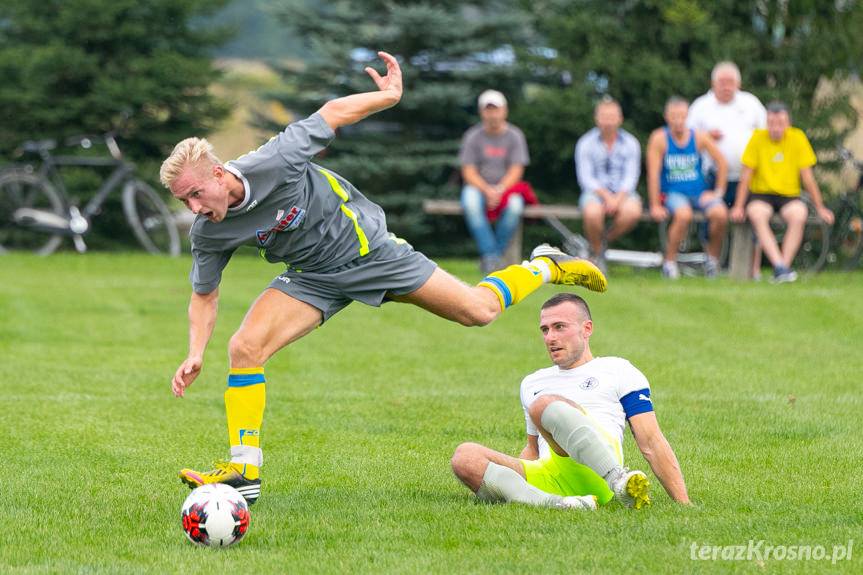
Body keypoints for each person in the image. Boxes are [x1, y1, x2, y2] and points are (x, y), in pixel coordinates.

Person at [160, 52, 607, 505]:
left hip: (371, 253)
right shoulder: (209, 230)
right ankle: (244, 470)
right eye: (184, 201)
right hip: (313, 277)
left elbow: (332, 113)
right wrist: (195, 352)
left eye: (196, 193)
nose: (193, 207)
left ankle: (544, 264)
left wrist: (388, 96)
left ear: (219, 174)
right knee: (244, 348)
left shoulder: (275, 159)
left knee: (479, 311)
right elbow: (204, 295)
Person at [450, 293, 690, 510]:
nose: (550, 337)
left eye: (559, 327)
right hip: (551, 473)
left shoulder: (618, 369)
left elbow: (651, 441)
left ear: (587, 329)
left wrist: (683, 503)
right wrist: (511, 475)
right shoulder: (532, 382)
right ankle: (560, 504)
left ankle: (617, 479)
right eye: (545, 330)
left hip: (598, 473)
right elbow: (533, 450)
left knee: (543, 406)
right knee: (465, 457)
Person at [730, 101, 835, 282]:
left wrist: (820, 207)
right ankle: (780, 266)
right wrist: (738, 206)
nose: (775, 128)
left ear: (788, 124)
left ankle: (783, 267)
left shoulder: (798, 137)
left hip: (789, 195)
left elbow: (808, 178)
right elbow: (746, 177)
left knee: (799, 214)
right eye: (771, 123)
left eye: (780, 123)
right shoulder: (757, 138)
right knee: (757, 214)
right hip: (761, 194)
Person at [647, 97, 729, 279]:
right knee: (684, 215)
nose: (678, 121)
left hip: (699, 193)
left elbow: (722, 162)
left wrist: (718, 192)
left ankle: (712, 261)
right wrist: (655, 205)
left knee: (720, 214)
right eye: (674, 116)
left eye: (682, 116)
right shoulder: (659, 138)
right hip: (672, 193)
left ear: (688, 117)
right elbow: (653, 174)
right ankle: (669, 263)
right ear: (667, 117)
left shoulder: (699, 136)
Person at [459, 89, 536, 274]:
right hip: (478, 188)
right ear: (481, 112)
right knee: (470, 203)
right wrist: (487, 190)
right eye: (488, 109)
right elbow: (468, 171)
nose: (492, 114)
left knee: (515, 207)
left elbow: (517, 169)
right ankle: (493, 257)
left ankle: (491, 258)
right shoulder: (472, 136)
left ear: (505, 111)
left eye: (496, 109)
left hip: (507, 188)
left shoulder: (515, 136)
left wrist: (500, 189)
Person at [575, 96, 643, 270]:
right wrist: (606, 196)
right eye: (604, 117)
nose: (608, 122)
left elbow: (631, 177)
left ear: (620, 119)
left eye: (612, 117)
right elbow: (586, 178)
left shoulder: (631, 143)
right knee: (592, 213)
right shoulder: (585, 143)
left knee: (632, 212)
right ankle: (598, 257)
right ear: (596, 118)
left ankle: (599, 245)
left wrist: (617, 198)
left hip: (624, 193)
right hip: (594, 193)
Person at [687, 62, 767, 208]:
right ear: (713, 83)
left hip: (748, 177)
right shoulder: (700, 106)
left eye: (730, 82)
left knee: (747, 217)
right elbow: (685, 139)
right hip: (711, 176)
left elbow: (766, 134)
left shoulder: (751, 103)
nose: (726, 87)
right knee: (714, 216)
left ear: (739, 84)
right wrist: (705, 137)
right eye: (722, 82)